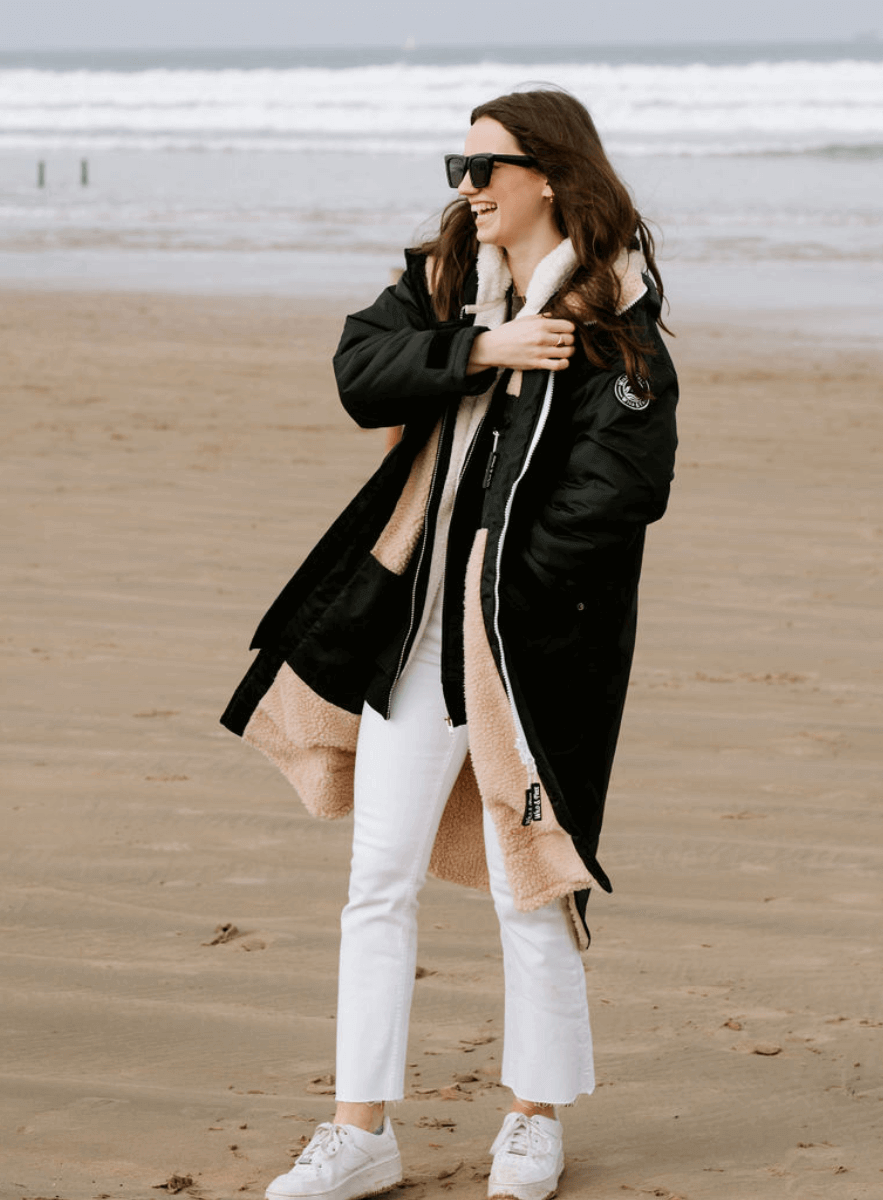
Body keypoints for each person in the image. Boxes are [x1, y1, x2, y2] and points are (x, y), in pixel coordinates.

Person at [221, 86, 678, 1200]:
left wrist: (507, 590)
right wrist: (483, 345)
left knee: (533, 881)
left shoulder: (615, 323)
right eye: (456, 168)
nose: (464, 190)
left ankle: (532, 1117)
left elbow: (623, 489)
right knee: (377, 880)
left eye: (483, 170)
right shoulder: (439, 286)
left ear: (550, 178)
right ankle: (360, 1129)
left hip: (527, 651)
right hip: (416, 646)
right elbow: (358, 373)